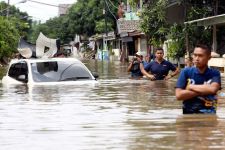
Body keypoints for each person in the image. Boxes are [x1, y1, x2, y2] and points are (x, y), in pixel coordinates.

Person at [175, 44, 221, 114]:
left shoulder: (214, 73)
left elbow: (213, 89)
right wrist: (205, 89)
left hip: (209, 114)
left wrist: (190, 87)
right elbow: (179, 95)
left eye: (200, 56)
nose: (196, 58)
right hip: (188, 113)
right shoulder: (186, 72)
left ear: (209, 57)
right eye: (195, 55)